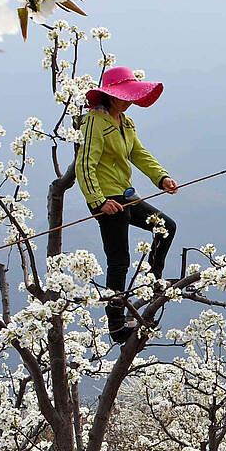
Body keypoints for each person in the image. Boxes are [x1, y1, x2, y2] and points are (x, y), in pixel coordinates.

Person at [76, 66, 179, 343]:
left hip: (126, 194)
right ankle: (116, 326)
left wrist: (162, 177)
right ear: (107, 95)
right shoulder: (94, 123)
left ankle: (155, 281)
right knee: (119, 260)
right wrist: (98, 202)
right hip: (107, 199)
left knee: (165, 227)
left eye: (129, 96)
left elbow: (138, 153)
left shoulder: (125, 123)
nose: (126, 101)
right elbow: (84, 164)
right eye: (121, 96)